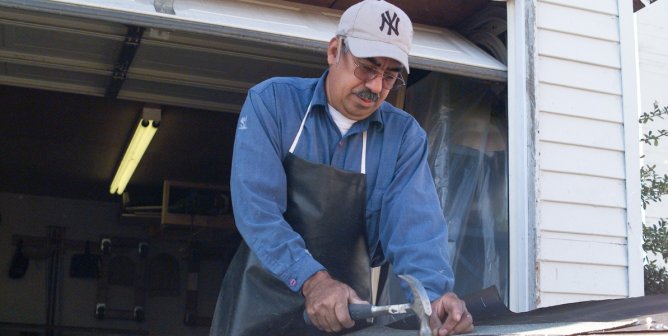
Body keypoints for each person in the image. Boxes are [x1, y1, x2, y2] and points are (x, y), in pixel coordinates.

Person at [210, 1, 474, 335]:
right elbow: (257, 211)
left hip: (347, 312)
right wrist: (313, 280)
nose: (376, 86)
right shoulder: (272, 103)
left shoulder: (404, 137)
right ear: (334, 51)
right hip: (260, 306)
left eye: (390, 75)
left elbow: (415, 230)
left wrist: (434, 297)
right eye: (367, 67)